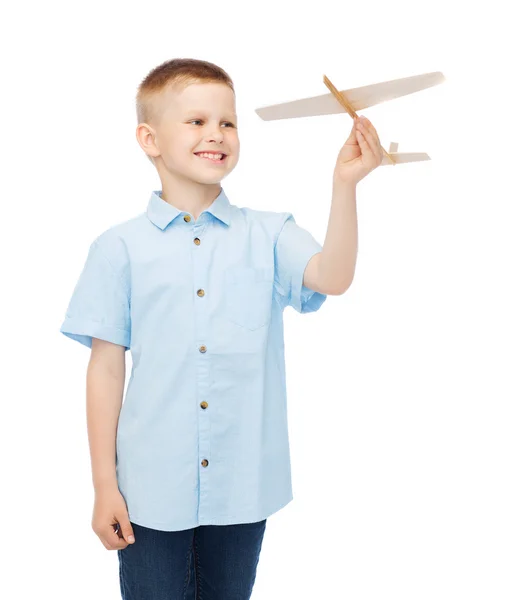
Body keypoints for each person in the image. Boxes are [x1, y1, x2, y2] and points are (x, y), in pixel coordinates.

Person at [59, 57, 383, 599]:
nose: (217, 135)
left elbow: (332, 276)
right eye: (197, 121)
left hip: (242, 489)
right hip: (149, 489)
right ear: (149, 138)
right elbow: (106, 370)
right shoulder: (118, 249)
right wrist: (104, 485)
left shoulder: (271, 233)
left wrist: (345, 184)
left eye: (228, 123)